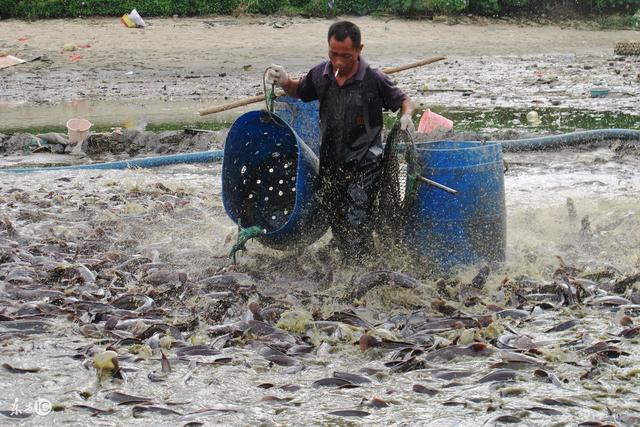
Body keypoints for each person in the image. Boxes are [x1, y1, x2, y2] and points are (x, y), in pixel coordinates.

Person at [266, 20, 414, 261]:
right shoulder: (320, 75)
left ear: (359, 50)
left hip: (366, 162)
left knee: (357, 217)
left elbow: (404, 101)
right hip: (332, 161)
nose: (338, 62)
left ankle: (361, 267)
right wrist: (284, 80)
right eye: (333, 54)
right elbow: (299, 91)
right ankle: (352, 259)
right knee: (335, 214)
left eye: (345, 56)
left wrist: (407, 116)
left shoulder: (374, 80)